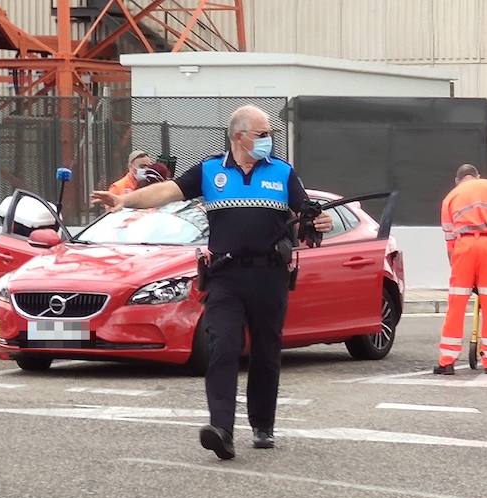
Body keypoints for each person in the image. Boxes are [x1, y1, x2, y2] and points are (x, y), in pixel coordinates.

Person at [91, 105, 333, 462]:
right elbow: (167, 192)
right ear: (239, 136)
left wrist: (319, 222)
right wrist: (124, 200)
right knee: (222, 348)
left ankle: (262, 424)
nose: (269, 141)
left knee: (266, 352)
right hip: (225, 276)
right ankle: (221, 430)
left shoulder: (282, 173)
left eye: (270, 135)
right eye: (262, 134)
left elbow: (305, 214)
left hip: (269, 276)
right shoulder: (209, 171)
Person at [435, 164, 487, 375]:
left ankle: (447, 361)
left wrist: (457, 267)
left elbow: (449, 240)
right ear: (477, 176)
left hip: (463, 247)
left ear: (457, 179)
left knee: (457, 304)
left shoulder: (450, 198)